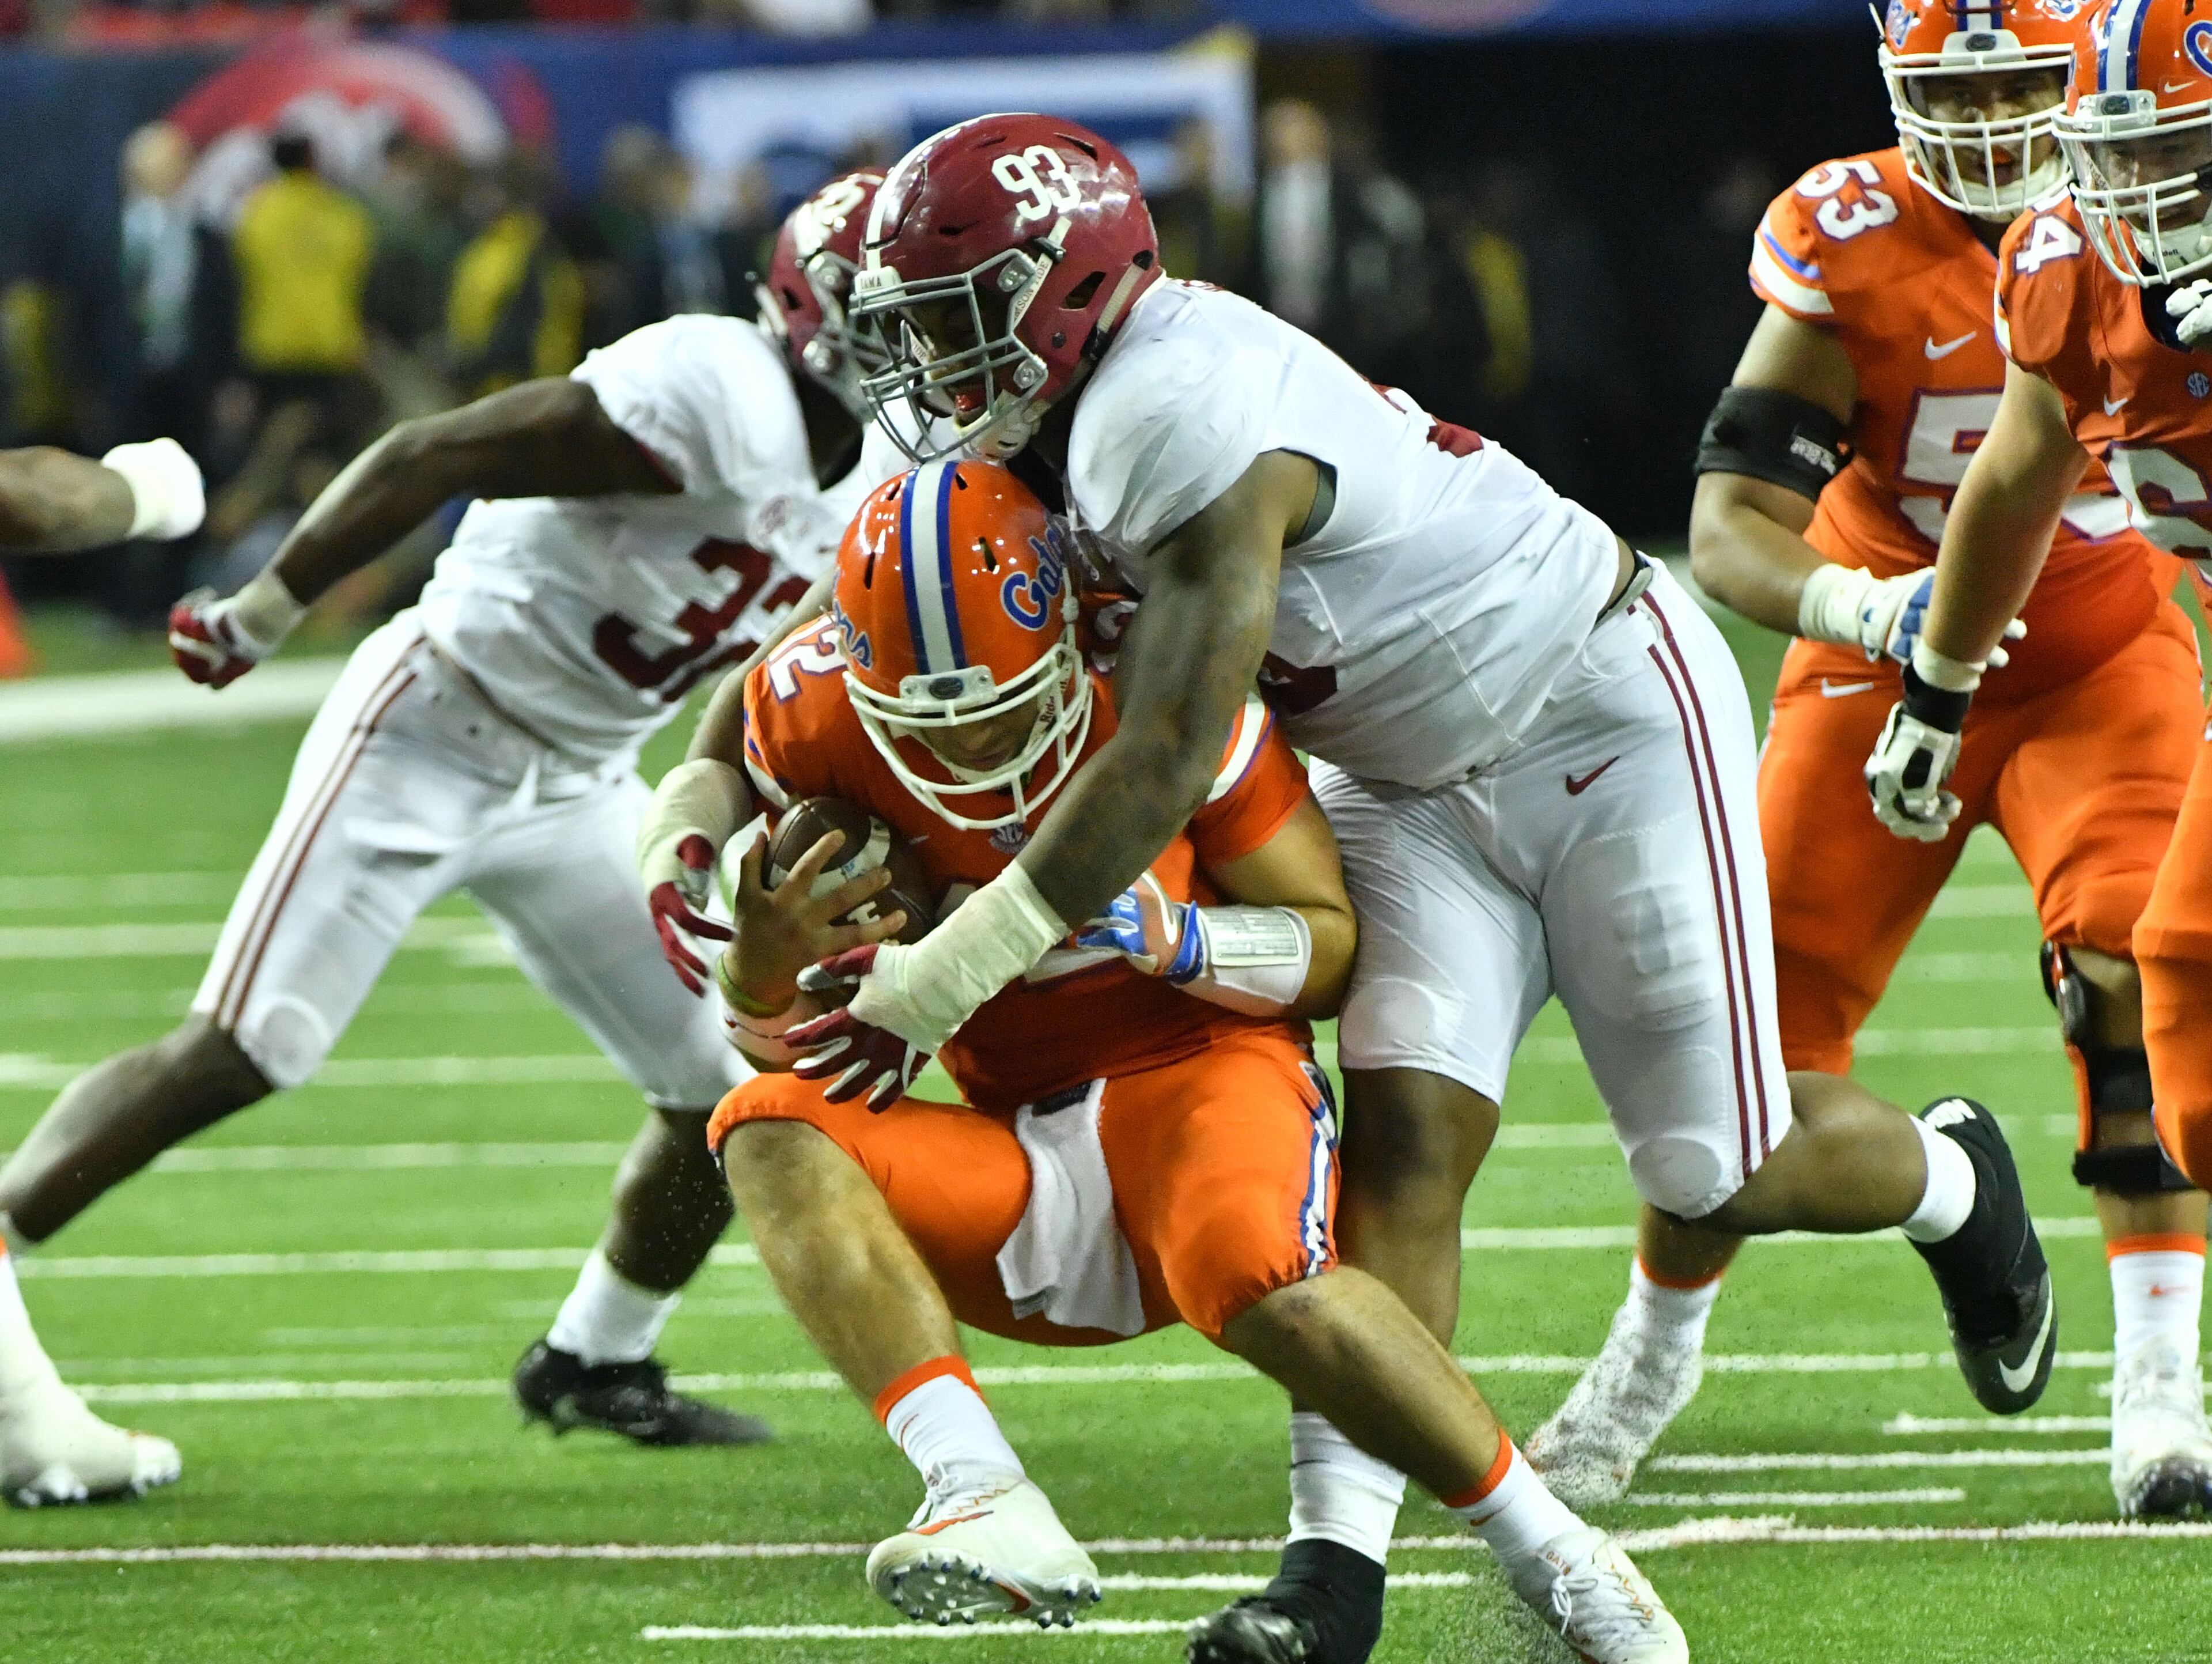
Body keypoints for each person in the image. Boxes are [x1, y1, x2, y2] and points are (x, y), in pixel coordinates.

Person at [642, 114, 2054, 1663]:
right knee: (1400, 1145)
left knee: (1715, 1167)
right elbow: (798, 672)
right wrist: (691, 821)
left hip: (1594, 709)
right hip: (1398, 775)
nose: (934, 361)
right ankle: (1335, 1574)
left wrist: (967, 956)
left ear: (1075, 283)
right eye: (913, 325)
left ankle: (1949, 1180)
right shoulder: (1018, 443)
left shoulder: (1167, 404)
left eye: (961, 315)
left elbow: (1175, 741)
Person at [0, 174, 886, 1506]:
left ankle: (595, 1354)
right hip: (435, 722)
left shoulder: (888, 462)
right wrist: (264, 606)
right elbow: (436, 452)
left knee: (729, 1087)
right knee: (251, 1043)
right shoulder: (719, 385)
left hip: (581, 772)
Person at [704, 459, 1687, 1658]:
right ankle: (981, 1493)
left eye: (1007, 707)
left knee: (1257, 1270)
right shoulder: (808, 724)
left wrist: (1183, 940)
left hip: (1200, 1071)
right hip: (1014, 1143)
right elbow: (786, 1045)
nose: (980, 747)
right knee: (762, 1120)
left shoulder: (1161, 695)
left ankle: (1560, 1556)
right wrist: (755, 971)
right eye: (936, 721)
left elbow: (1330, 950)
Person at [1528, 0, 2212, 1519]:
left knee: (2135, 987)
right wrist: (1877, 615)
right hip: (1882, 653)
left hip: (2104, 652)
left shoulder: (2154, 209)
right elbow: (1727, 532)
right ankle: (1659, 1352)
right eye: (1954, 91)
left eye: (2029, 82)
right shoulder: (1850, 235)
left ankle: (2163, 1382)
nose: (1989, 127)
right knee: (1734, 1060)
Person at [1868, 0, 2212, 1519]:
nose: (2143, 198)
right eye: (2123, 160)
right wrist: (1938, 683)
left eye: (2186, 161)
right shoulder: (2071, 260)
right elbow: (2014, 475)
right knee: (2172, 970)